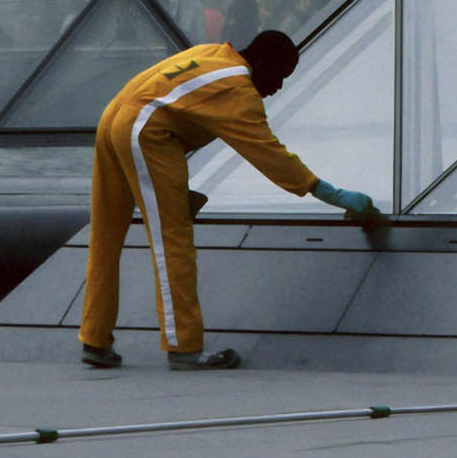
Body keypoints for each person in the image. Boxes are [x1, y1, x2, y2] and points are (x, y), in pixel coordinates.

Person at [76, 29, 379, 371]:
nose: (279, 87)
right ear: (261, 63)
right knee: (172, 241)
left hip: (113, 119)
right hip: (146, 132)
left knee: (105, 235)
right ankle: (184, 348)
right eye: (279, 75)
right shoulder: (238, 91)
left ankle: (95, 339)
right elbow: (269, 154)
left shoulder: (214, 54)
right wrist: (330, 193)